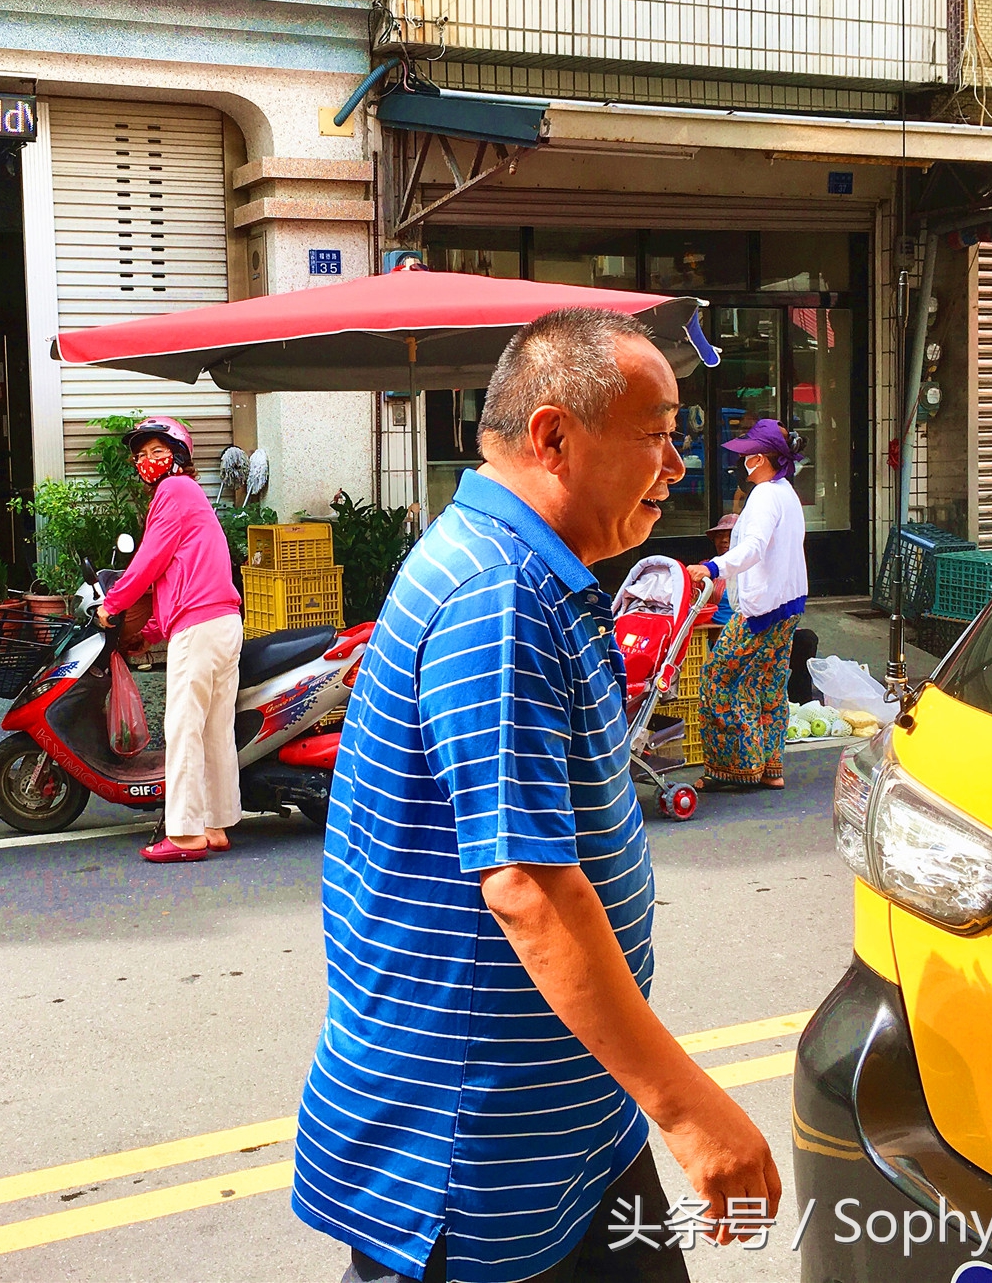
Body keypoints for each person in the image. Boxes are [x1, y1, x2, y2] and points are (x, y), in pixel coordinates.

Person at [293, 309, 780, 1283]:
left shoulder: (532, 574)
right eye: (656, 433)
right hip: (473, 1152)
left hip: (571, 1121)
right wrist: (687, 1108)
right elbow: (527, 887)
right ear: (554, 436)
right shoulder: (497, 594)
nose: (677, 464)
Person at [95, 418, 244, 863]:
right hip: (222, 623)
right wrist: (150, 634)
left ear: (179, 455)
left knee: (182, 728)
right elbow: (181, 576)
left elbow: (149, 562)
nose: (147, 461)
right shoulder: (190, 495)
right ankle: (215, 825)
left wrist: (112, 605)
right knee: (214, 730)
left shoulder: (173, 491)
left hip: (200, 629)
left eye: (157, 451)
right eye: (140, 455)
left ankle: (184, 834)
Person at [686, 420, 808, 790]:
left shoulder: (765, 496)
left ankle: (732, 768)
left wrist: (712, 567)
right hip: (789, 603)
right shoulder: (786, 492)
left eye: (749, 455)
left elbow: (753, 548)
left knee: (719, 678)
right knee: (768, 682)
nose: (744, 462)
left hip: (761, 608)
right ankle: (770, 768)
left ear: (761, 458)